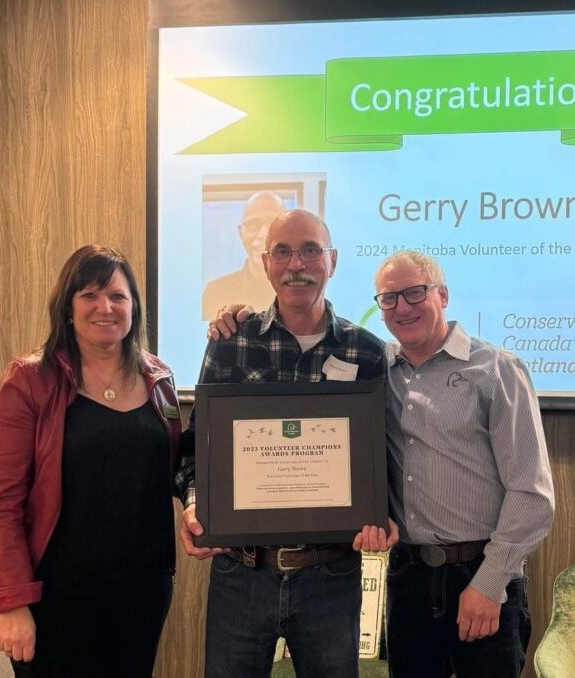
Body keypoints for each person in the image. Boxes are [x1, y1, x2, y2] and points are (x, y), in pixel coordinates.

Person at [177, 209, 397, 678]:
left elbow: (382, 455)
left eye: (311, 249)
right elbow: (197, 447)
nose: (297, 263)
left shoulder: (368, 352)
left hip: (331, 576)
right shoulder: (230, 343)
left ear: (332, 261)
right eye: (283, 251)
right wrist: (197, 504)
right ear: (265, 262)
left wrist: (383, 514)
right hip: (241, 576)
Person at [0, 245, 184, 678]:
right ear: (68, 308)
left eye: (118, 296)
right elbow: (0, 500)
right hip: (55, 598)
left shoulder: (159, 379)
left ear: (134, 307)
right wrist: (12, 602)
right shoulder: (31, 379)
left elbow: (173, 469)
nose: (105, 307)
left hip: (141, 593)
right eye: (89, 295)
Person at [374, 250, 554, 678]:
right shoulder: (377, 370)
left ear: (443, 294)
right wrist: (240, 317)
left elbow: (532, 493)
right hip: (408, 577)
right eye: (388, 298)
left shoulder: (496, 369)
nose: (402, 307)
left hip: (480, 573)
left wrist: (489, 585)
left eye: (415, 293)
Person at [201, 190, 287, 318]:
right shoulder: (215, 292)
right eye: (253, 225)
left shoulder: (300, 290)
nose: (263, 234)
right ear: (241, 233)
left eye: (272, 224)